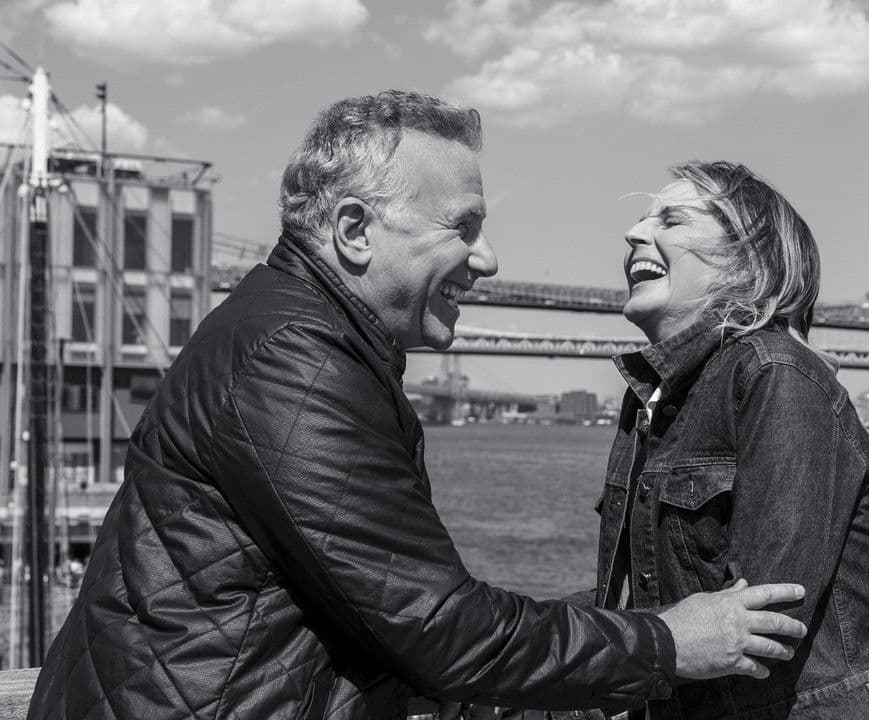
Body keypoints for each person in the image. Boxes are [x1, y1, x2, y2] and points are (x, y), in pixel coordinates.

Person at [27, 94, 809, 720]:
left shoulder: (293, 336)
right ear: (354, 230)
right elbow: (441, 629)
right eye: (464, 228)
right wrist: (666, 643)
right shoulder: (294, 361)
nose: (488, 260)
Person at [574, 162, 869, 719]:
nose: (633, 232)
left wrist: (582, 654)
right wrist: (519, 644)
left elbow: (763, 616)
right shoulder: (654, 397)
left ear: (746, 262)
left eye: (671, 220)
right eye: (642, 219)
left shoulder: (776, 373)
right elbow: (651, 600)